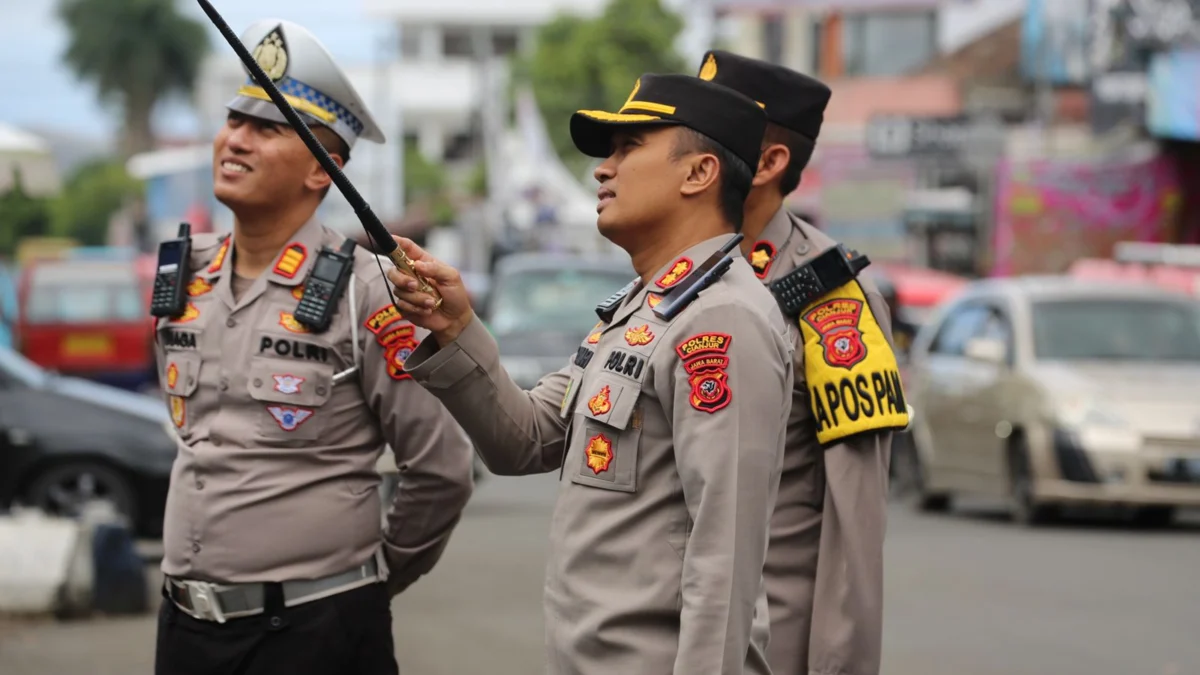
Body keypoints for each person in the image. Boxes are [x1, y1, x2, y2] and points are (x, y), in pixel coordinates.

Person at [388, 74, 794, 674]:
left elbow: (724, 556)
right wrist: (456, 327)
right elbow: (525, 438)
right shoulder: (645, 306)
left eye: (629, 148)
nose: (603, 170)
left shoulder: (722, 316)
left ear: (698, 173)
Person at [151, 19, 475, 675]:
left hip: (315, 631)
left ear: (324, 170)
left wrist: (363, 586)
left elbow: (441, 471)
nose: (236, 140)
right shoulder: (186, 280)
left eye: (268, 129)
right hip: (185, 627)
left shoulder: (369, 293)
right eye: (235, 120)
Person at [695, 50, 911, 675]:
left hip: (762, 650)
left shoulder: (830, 296)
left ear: (768, 162)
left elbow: (854, 522)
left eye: (708, 132)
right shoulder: (670, 271)